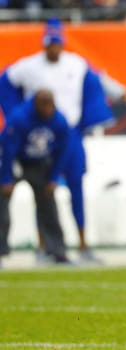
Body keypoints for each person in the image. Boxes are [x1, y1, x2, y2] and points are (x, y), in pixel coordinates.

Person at [0, 17, 113, 264]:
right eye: (49, 43)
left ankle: (82, 245)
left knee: (75, 186)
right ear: (44, 43)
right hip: (38, 136)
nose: (53, 48)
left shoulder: (76, 63)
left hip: (68, 132)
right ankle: (44, 247)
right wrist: (13, 115)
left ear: (62, 43)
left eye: (57, 43)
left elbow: (99, 79)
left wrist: (118, 91)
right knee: (43, 193)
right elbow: (5, 82)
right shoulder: (28, 67)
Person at [0, 89, 70, 265]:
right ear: (36, 104)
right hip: (16, 161)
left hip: (39, 163)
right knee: (2, 204)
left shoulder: (59, 121)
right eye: (43, 105)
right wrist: (6, 178)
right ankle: (1, 250)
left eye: (50, 105)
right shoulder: (20, 117)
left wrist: (54, 178)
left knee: (48, 205)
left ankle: (56, 251)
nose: (47, 109)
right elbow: (7, 151)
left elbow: (61, 152)